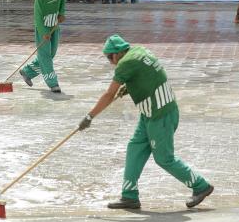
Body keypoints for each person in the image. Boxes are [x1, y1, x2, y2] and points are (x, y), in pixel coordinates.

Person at [78, 34, 214, 210]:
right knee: (135, 148)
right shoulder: (140, 51)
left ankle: (201, 186)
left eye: (109, 57)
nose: (111, 62)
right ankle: (129, 196)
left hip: (161, 115)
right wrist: (128, 87)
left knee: (164, 159)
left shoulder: (125, 64)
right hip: (150, 113)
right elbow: (148, 75)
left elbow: (108, 94)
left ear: (117, 53)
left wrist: (89, 117)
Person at [19, 0, 66, 93]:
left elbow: (62, 1)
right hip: (43, 27)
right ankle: (53, 83)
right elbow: (37, 16)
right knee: (45, 56)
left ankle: (27, 71)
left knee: (51, 53)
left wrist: (62, 13)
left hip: (54, 25)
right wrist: (43, 32)